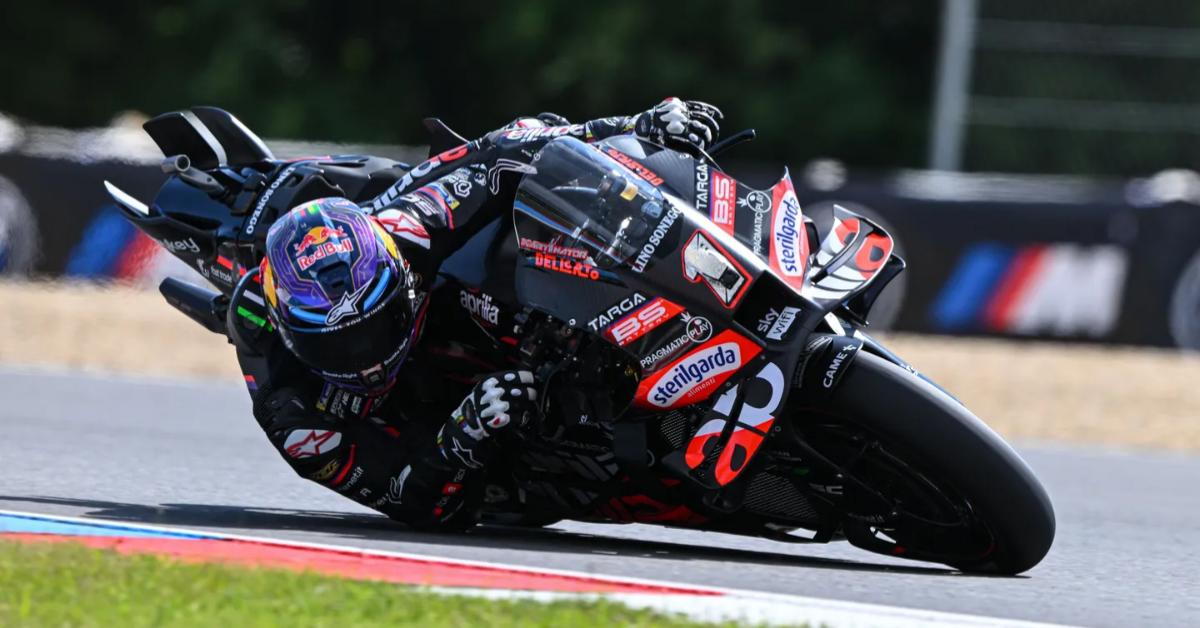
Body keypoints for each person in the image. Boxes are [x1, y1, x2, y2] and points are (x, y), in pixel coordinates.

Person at [232, 98, 723, 528]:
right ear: (291, 333)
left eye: (376, 324)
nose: (366, 359)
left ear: (398, 277)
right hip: (440, 430)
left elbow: (504, 149)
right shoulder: (294, 415)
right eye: (336, 344)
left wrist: (637, 124)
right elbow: (407, 501)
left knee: (540, 128)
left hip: (457, 304)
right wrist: (465, 432)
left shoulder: (410, 228)